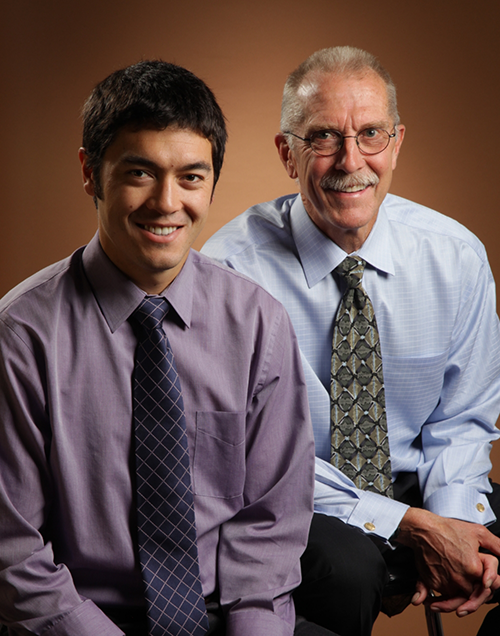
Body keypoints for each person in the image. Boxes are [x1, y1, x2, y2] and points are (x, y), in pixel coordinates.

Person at [0, 60, 333, 636]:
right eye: (139, 172)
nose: (166, 202)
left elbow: (270, 526)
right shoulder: (21, 338)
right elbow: (13, 554)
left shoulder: (258, 324)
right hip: (79, 619)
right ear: (89, 172)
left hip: (223, 615)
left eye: (191, 177)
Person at [201, 46, 500, 636]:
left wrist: (453, 522)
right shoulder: (230, 273)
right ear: (287, 153)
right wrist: (406, 525)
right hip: (297, 499)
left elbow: (462, 422)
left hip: (419, 478)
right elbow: (252, 460)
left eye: (371, 134)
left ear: (397, 143)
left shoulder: (456, 256)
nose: (351, 160)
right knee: (350, 572)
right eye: (323, 138)